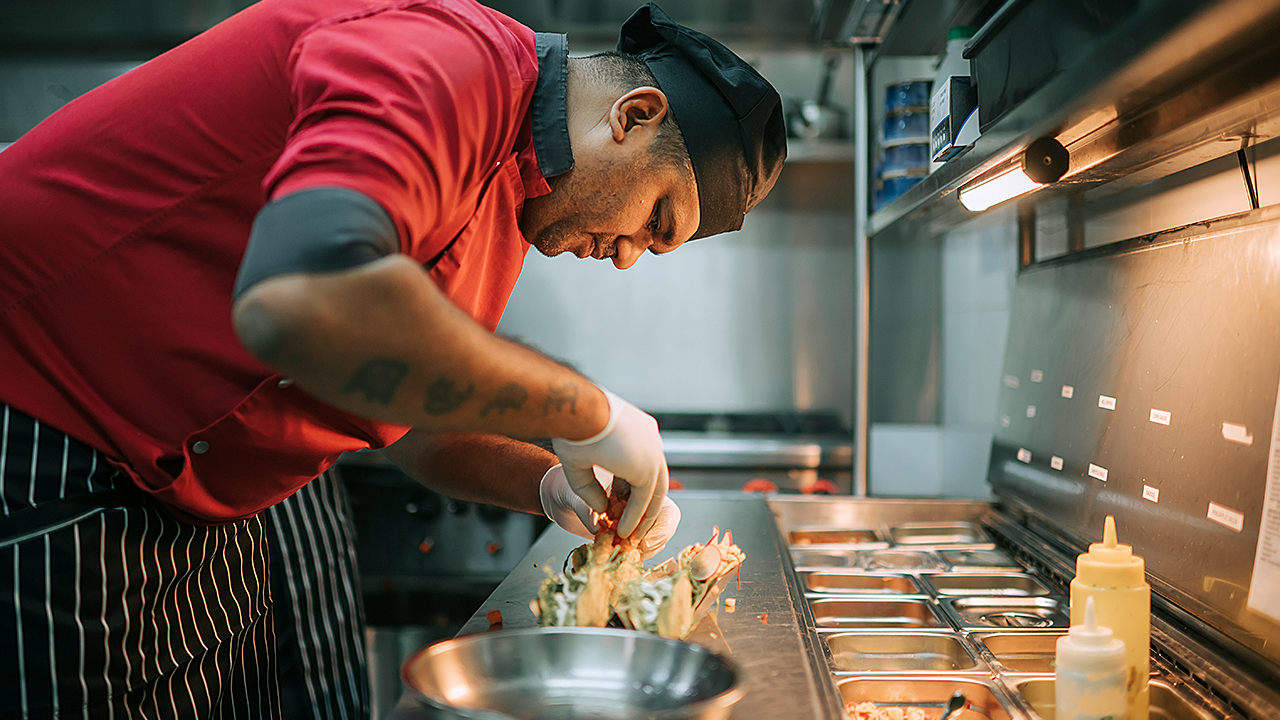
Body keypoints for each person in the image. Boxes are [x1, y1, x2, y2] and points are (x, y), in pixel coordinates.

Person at [0, 0, 786, 717]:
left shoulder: (509, 197)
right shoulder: (441, 63)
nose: (628, 257)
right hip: (49, 433)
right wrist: (585, 411)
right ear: (634, 116)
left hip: (191, 501)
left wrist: (550, 485)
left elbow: (410, 425)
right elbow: (305, 298)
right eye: (656, 219)